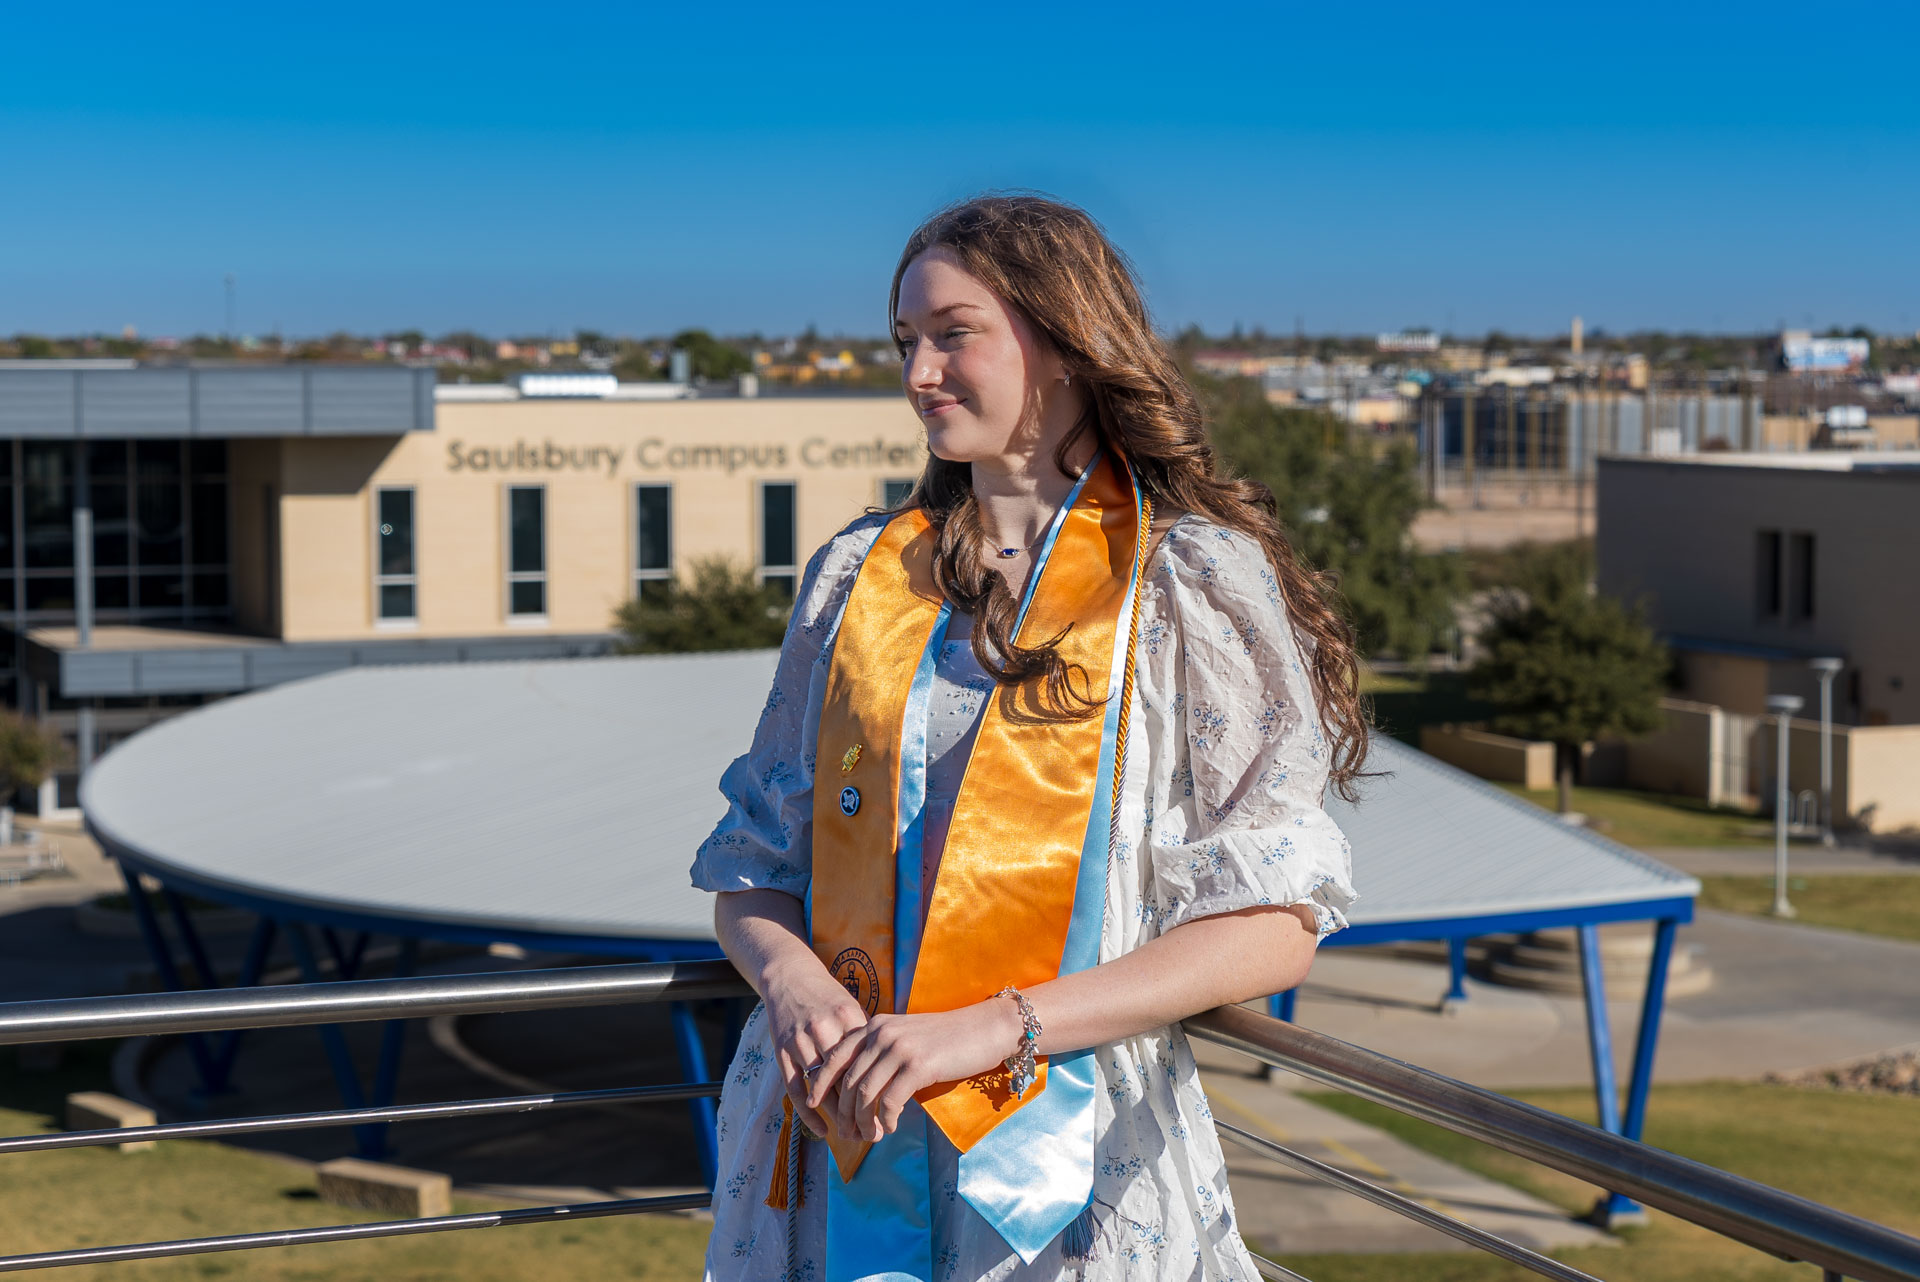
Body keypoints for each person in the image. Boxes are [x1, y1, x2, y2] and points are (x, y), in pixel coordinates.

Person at [690, 194, 1365, 1282]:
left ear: (1063, 342)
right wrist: (798, 986)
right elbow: (754, 868)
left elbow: (1276, 921)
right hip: (831, 1137)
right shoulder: (855, 579)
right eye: (906, 341)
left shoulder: (1185, 581)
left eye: (954, 333)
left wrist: (996, 1030)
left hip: (1068, 1159)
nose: (918, 373)